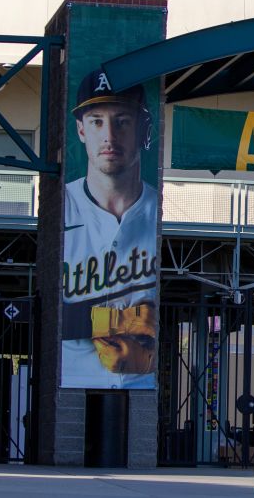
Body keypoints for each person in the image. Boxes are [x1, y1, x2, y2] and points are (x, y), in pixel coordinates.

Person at [61, 68, 159, 389]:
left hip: (138, 385)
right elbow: (52, 314)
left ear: (143, 129)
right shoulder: (62, 207)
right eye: (97, 121)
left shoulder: (159, 211)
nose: (109, 137)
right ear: (81, 130)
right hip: (70, 379)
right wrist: (116, 321)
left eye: (122, 121)